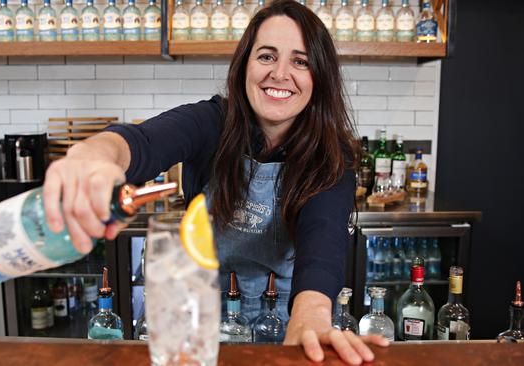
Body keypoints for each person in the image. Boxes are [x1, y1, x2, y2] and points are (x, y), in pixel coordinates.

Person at [43, 0, 388, 363]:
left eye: (300, 61)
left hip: (291, 326)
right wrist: (94, 156)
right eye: (267, 56)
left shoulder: (332, 154)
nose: (280, 73)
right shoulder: (211, 122)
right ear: (245, 66)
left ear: (319, 77)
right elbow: (140, 143)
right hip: (199, 326)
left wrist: (312, 316)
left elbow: (325, 238)